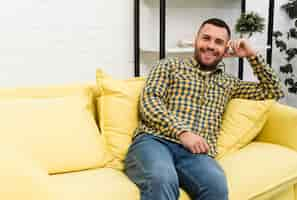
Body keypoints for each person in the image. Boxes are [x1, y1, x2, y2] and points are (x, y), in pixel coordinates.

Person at [124, 18, 284, 200]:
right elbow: (150, 101)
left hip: (196, 154)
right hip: (155, 141)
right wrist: (182, 132)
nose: (210, 45)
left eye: (218, 42)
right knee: (162, 179)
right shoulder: (169, 65)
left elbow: (273, 90)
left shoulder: (229, 83)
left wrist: (251, 55)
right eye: (206, 38)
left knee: (216, 185)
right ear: (196, 40)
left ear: (226, 50)